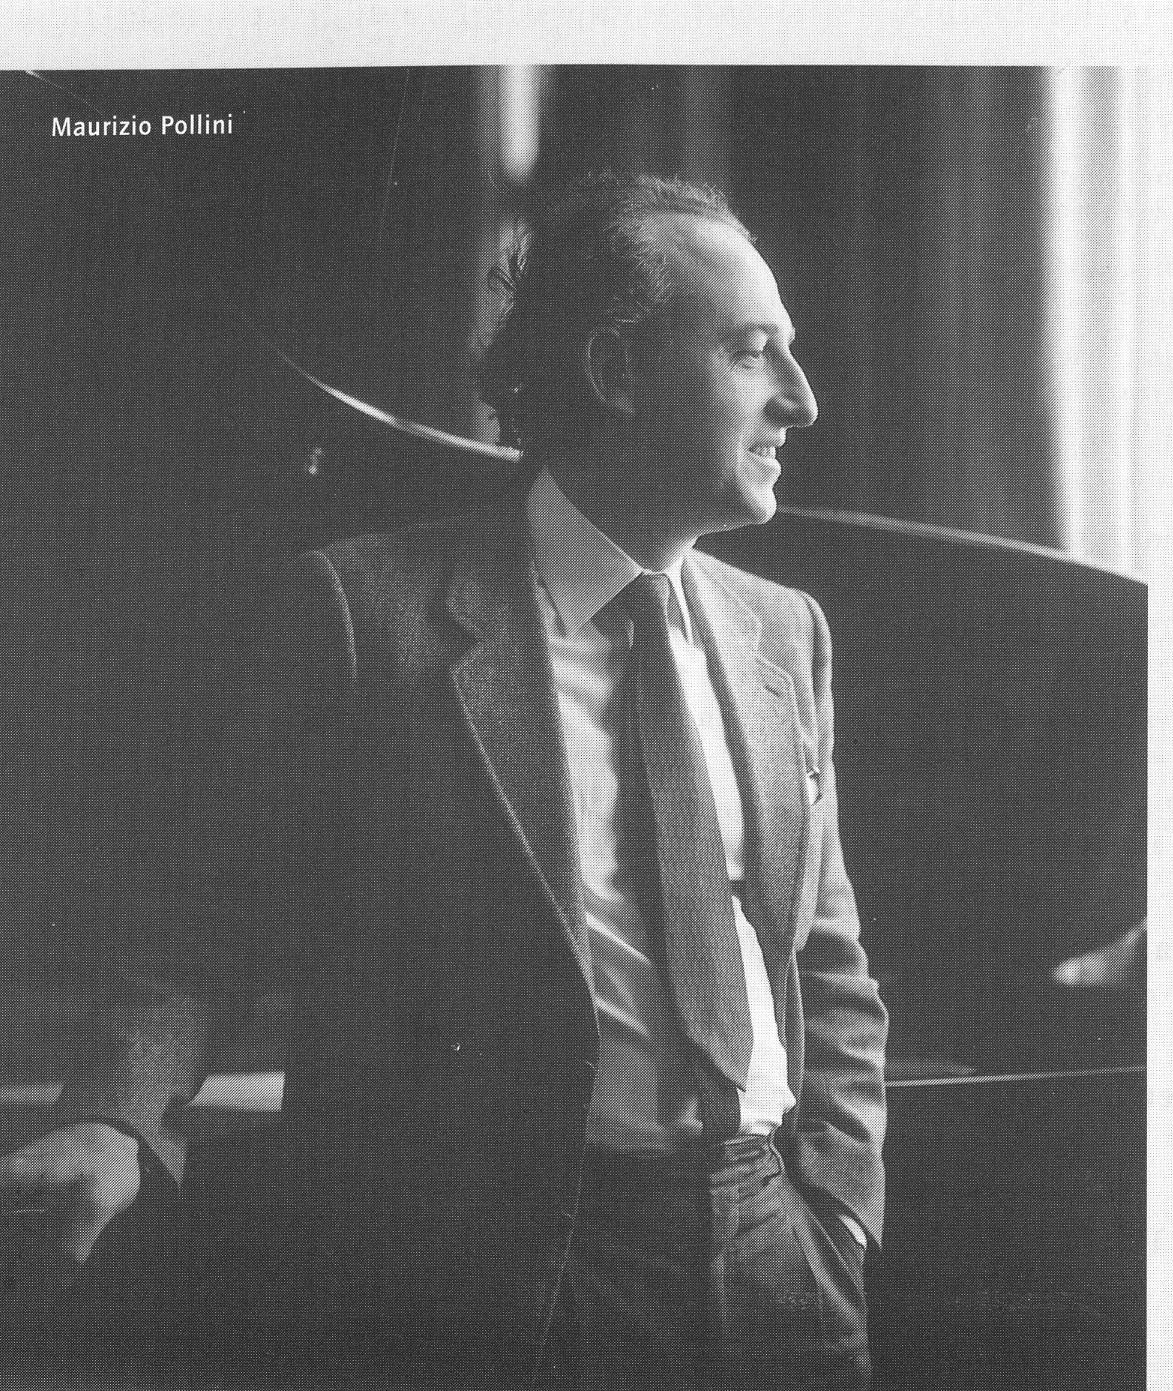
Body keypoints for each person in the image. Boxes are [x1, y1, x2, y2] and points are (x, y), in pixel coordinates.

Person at [0, 172, 886, 1385]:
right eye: (750, 351)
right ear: (616, 369)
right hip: (500, 1280)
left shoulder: (787, 631)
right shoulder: (364, 612)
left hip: (782, 1262)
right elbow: (206, 931)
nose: (802, 396)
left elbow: (826, 961)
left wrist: (837, 1209)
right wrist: (110, 1113)